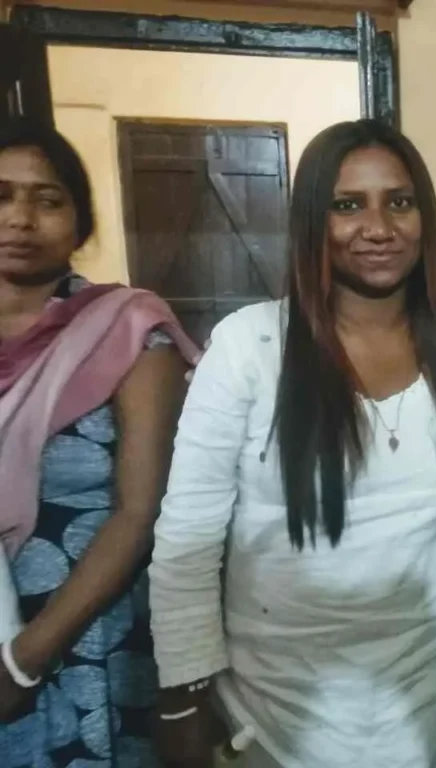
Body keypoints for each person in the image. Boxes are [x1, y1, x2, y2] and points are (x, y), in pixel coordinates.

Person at [149, 119, 436, 768]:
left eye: (400, 201)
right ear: (312, 221)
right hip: (279, 725)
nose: (379, 227)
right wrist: (182, 701)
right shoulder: (250, 347)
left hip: (429, 712)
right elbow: (189, 536)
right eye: (347, 205)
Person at [0, 123, 194, 766]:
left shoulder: (129, 332)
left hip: (84, 636)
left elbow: (140, 514)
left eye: (48, 200)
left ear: (80, 223)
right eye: (1, 195)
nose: (21, 218)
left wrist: (25, 657)